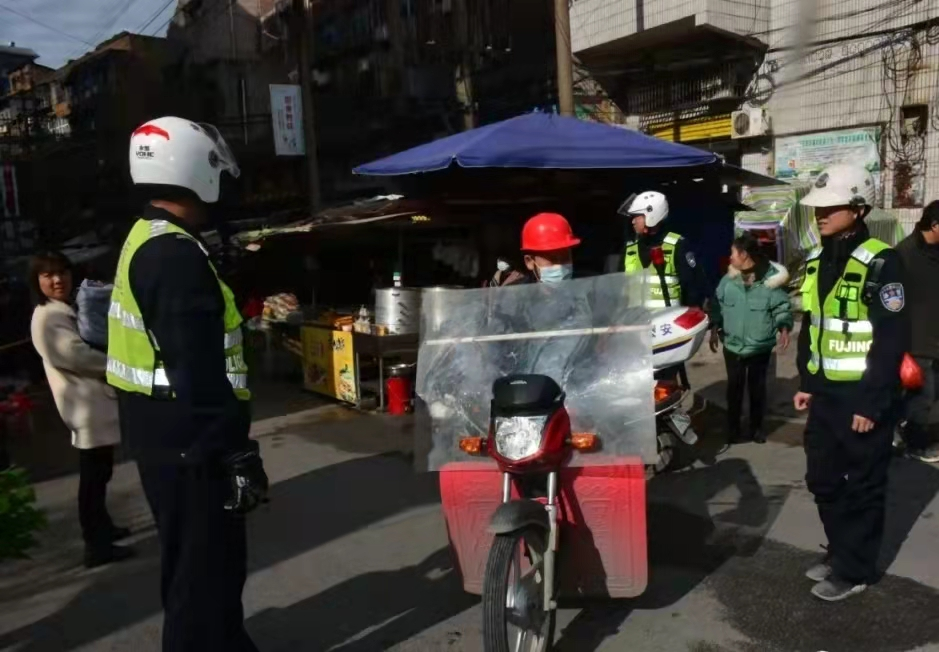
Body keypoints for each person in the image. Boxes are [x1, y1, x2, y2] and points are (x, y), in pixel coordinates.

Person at [108, 117, 267, 651]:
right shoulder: (174, 255)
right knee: (203, 576)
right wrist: (236, 453)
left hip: (167, 437)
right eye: (219, 172)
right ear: (198, 172)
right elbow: (197, 371)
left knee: (201, 572)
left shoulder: (146, 237)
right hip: (191, 443)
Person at [793, 163, 909, 602]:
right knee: (822, 479)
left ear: (858, 209)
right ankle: (840, 549)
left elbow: (890, 339)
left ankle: (856, 569)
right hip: (824, 393)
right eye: (817, 207)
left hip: (862, 397)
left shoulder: (883, 260)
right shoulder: (818, 257)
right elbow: (812, 324)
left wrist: (872, 404)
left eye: (830, 207)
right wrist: (807, 378)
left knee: (863, 485)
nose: (819, 214)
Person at [28, 251, 133, 568]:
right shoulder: (48, 316)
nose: (58, 280)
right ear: (37, 282)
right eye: (48, 275)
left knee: (99, 473)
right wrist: (119, 364)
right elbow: (77, 356)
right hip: (86, 406)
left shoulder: (61, 310)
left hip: (91, 402)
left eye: (62, 272)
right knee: (93, 477)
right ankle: (96, 545)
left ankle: (103, 529)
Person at [709, 232, 793, 444]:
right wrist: (714, 328)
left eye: (733, 253)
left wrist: (784, 327)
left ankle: (756, 429)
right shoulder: (728, 279)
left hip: (759, 346)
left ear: (744, 254)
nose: (730, 258)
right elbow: (717, 303)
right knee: (734, 389)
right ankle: (733, 430)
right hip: (733, 344)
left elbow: (781, 306)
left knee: (757, 389)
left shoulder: (770, 280)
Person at [895, 201, 939, 462]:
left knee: (929, 396)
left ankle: (900, 428)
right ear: (934, 225)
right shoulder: (905, 254)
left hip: (935, 338)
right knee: (922, 396)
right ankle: (916, 445)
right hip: (915, 340)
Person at [621, 190, 707, 308]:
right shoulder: (630, 249)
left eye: (637, 216)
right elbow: (620, 289)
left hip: (668, 322)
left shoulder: (678, 246)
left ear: (651, 216)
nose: (633, 221)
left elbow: (693, 289)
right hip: (635, 323)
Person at [521, 212, 579, 284]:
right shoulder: (518, 294)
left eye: (565, 258)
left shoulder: (589, 289)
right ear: (529, 261)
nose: (560, 267)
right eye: (552, 259)